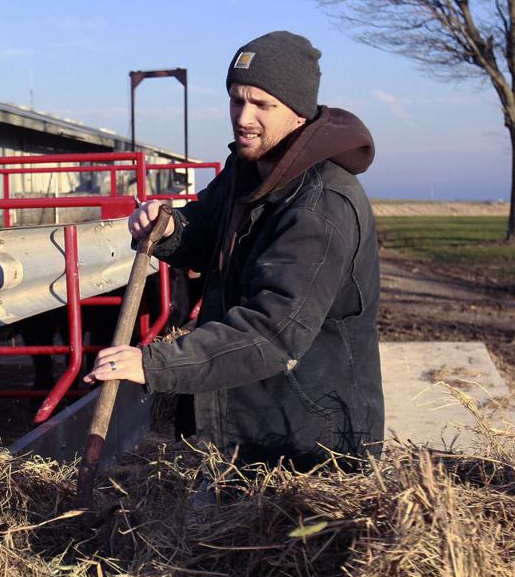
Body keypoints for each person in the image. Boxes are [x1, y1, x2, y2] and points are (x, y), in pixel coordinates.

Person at [85, 30, 383, 467]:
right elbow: (207, 227)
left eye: (263, 105)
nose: (243, 117)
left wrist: (154, 364)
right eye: (236, 99)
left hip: (309, 443)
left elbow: (272, 331)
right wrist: (167, 228)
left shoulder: (319, 206)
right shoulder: (250, 168)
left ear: (299, 112)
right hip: (253, 427)